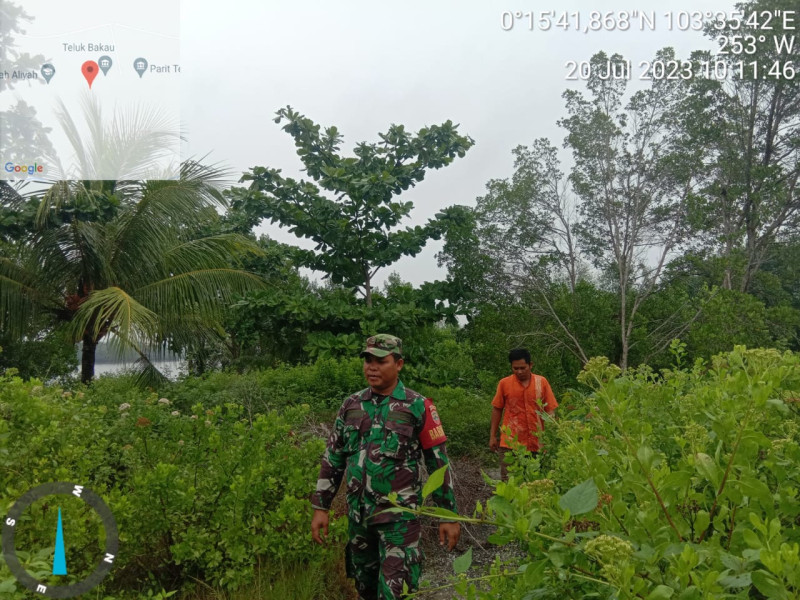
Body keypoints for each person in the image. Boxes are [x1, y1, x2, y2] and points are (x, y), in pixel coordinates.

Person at [310, 334, 460, 600]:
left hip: (398, 522)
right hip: (359, 519)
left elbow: (438, 463)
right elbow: (333, 457)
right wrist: (321, 506)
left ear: (399, 363)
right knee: (364, 589)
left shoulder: (418, 406)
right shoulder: (351, 405)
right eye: (368, 360)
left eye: (380, 360)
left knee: (395, 593)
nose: (372, 366)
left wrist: (448, 515)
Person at [489, 348, 558, 479]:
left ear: (530, 365)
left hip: (538, 444)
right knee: (510, 482)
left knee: (536, 482)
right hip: (511, 443)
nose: (519, 372)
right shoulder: (504, 384)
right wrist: (492, 436)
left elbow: (550, 410)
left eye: (523, 368)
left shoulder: (541, 382)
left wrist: (551, 436)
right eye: (515, 368)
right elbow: (497, 408)